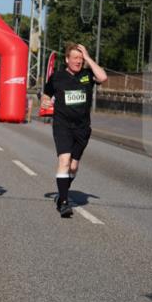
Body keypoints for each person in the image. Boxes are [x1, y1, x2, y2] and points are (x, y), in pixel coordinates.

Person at [41, 42, 107, 218]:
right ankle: (63, 202)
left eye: (80, 58)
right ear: (67, 59)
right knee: (64, 161)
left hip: (82, 128)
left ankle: (61, 193)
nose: (78, 61)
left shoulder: (87, 75)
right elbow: (46, 94)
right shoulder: (57, 77)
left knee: (73, 166)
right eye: (75, 58)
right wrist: (45, 101)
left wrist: (87, 57)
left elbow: (103, 77)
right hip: (62, 125)